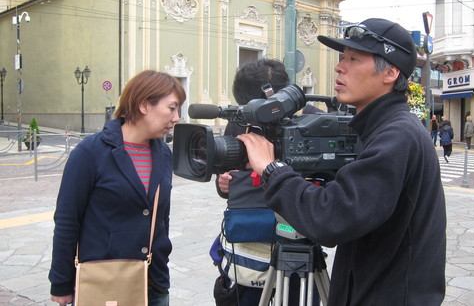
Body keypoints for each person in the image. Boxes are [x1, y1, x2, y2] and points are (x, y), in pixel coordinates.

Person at [236, 18, 447, 305]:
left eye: (353, 59)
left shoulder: (397, 135)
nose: (339, 66)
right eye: (342, 57)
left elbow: (332, 218)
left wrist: (272, 169)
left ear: (390, 73)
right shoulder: (383, 128)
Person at [49, 70, 186, 306]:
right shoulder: (91, 152)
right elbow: (67, 220)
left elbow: (161, 217)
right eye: (172, 108)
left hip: (153, 281)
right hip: (104, 281)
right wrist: (61, 283)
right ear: (144, 105)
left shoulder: (163, 154)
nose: (177, 118)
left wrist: (161, 257)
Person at [212, 59, 320, 305]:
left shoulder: (315, 122)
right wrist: (223, 184)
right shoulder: (240, 122)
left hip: (298, 240)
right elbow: (227, 175)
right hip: (249, 243)